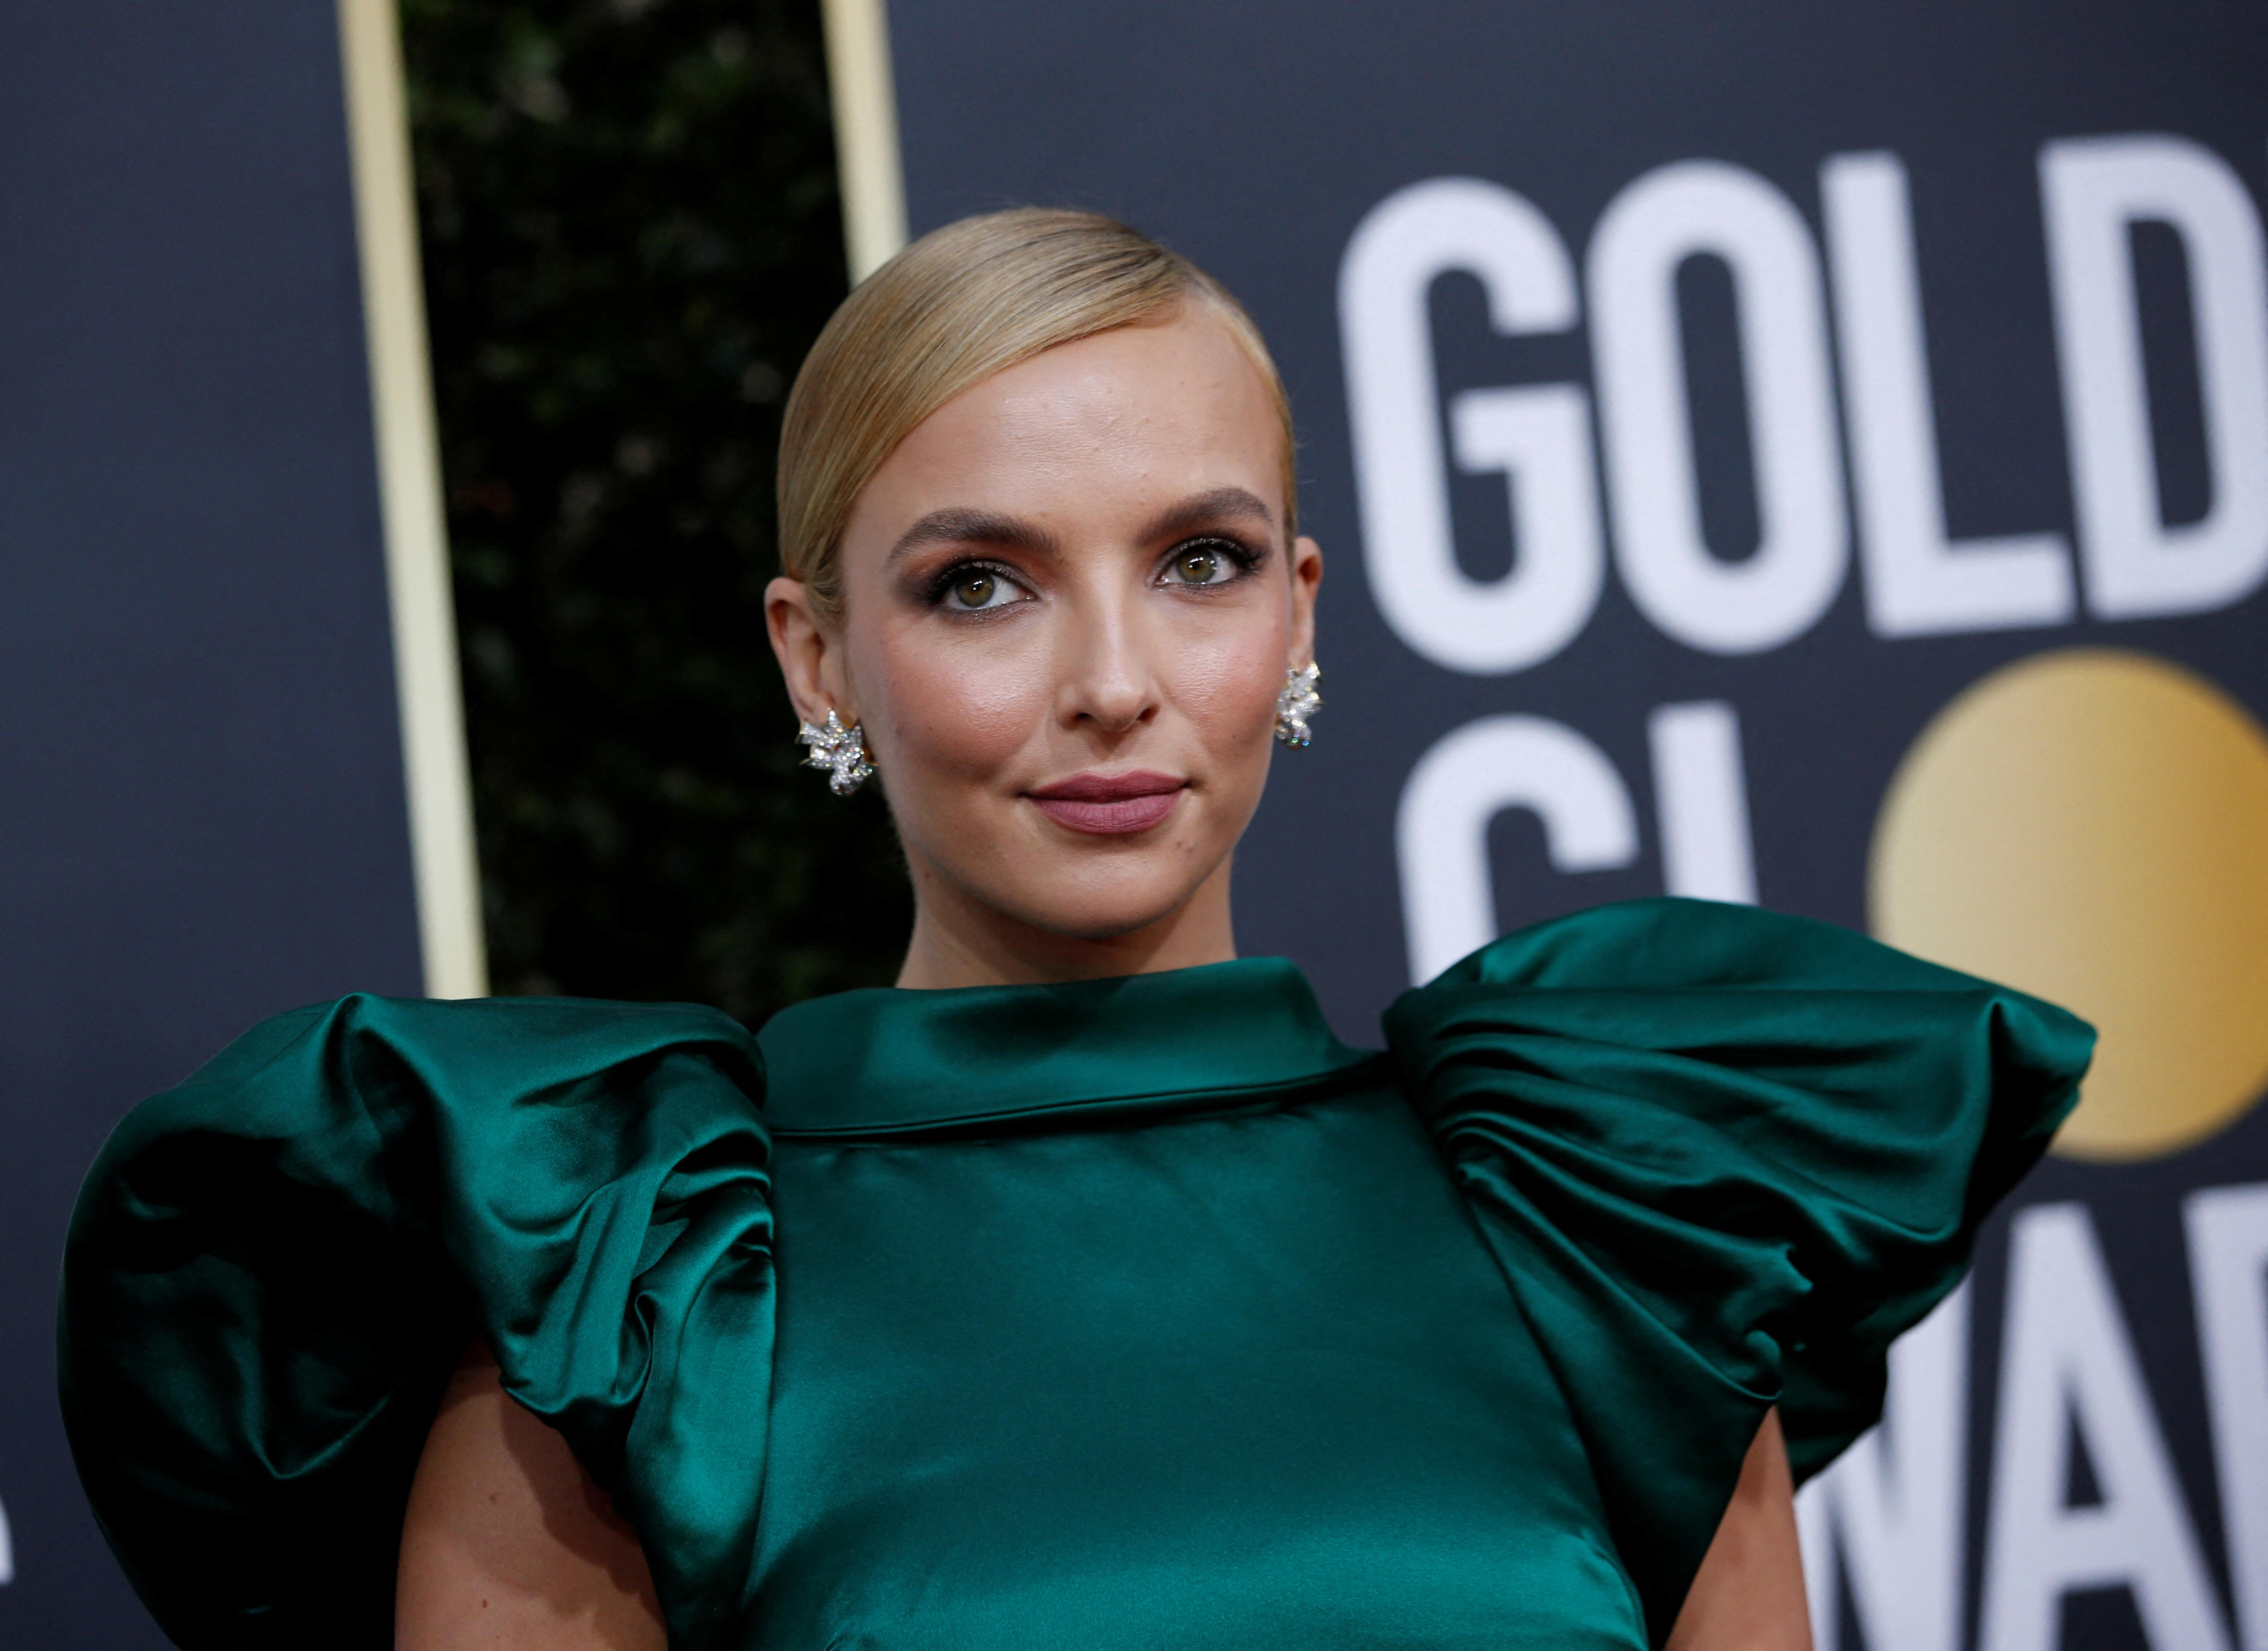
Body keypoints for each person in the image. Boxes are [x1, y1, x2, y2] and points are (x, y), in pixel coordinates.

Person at [60, 209, 2091, 1651]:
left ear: (1298, 610)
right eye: (981, 585)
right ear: (816, 656)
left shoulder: (1598, 1213)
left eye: (1199, 562)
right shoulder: (632, 1283)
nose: (1114, 682)